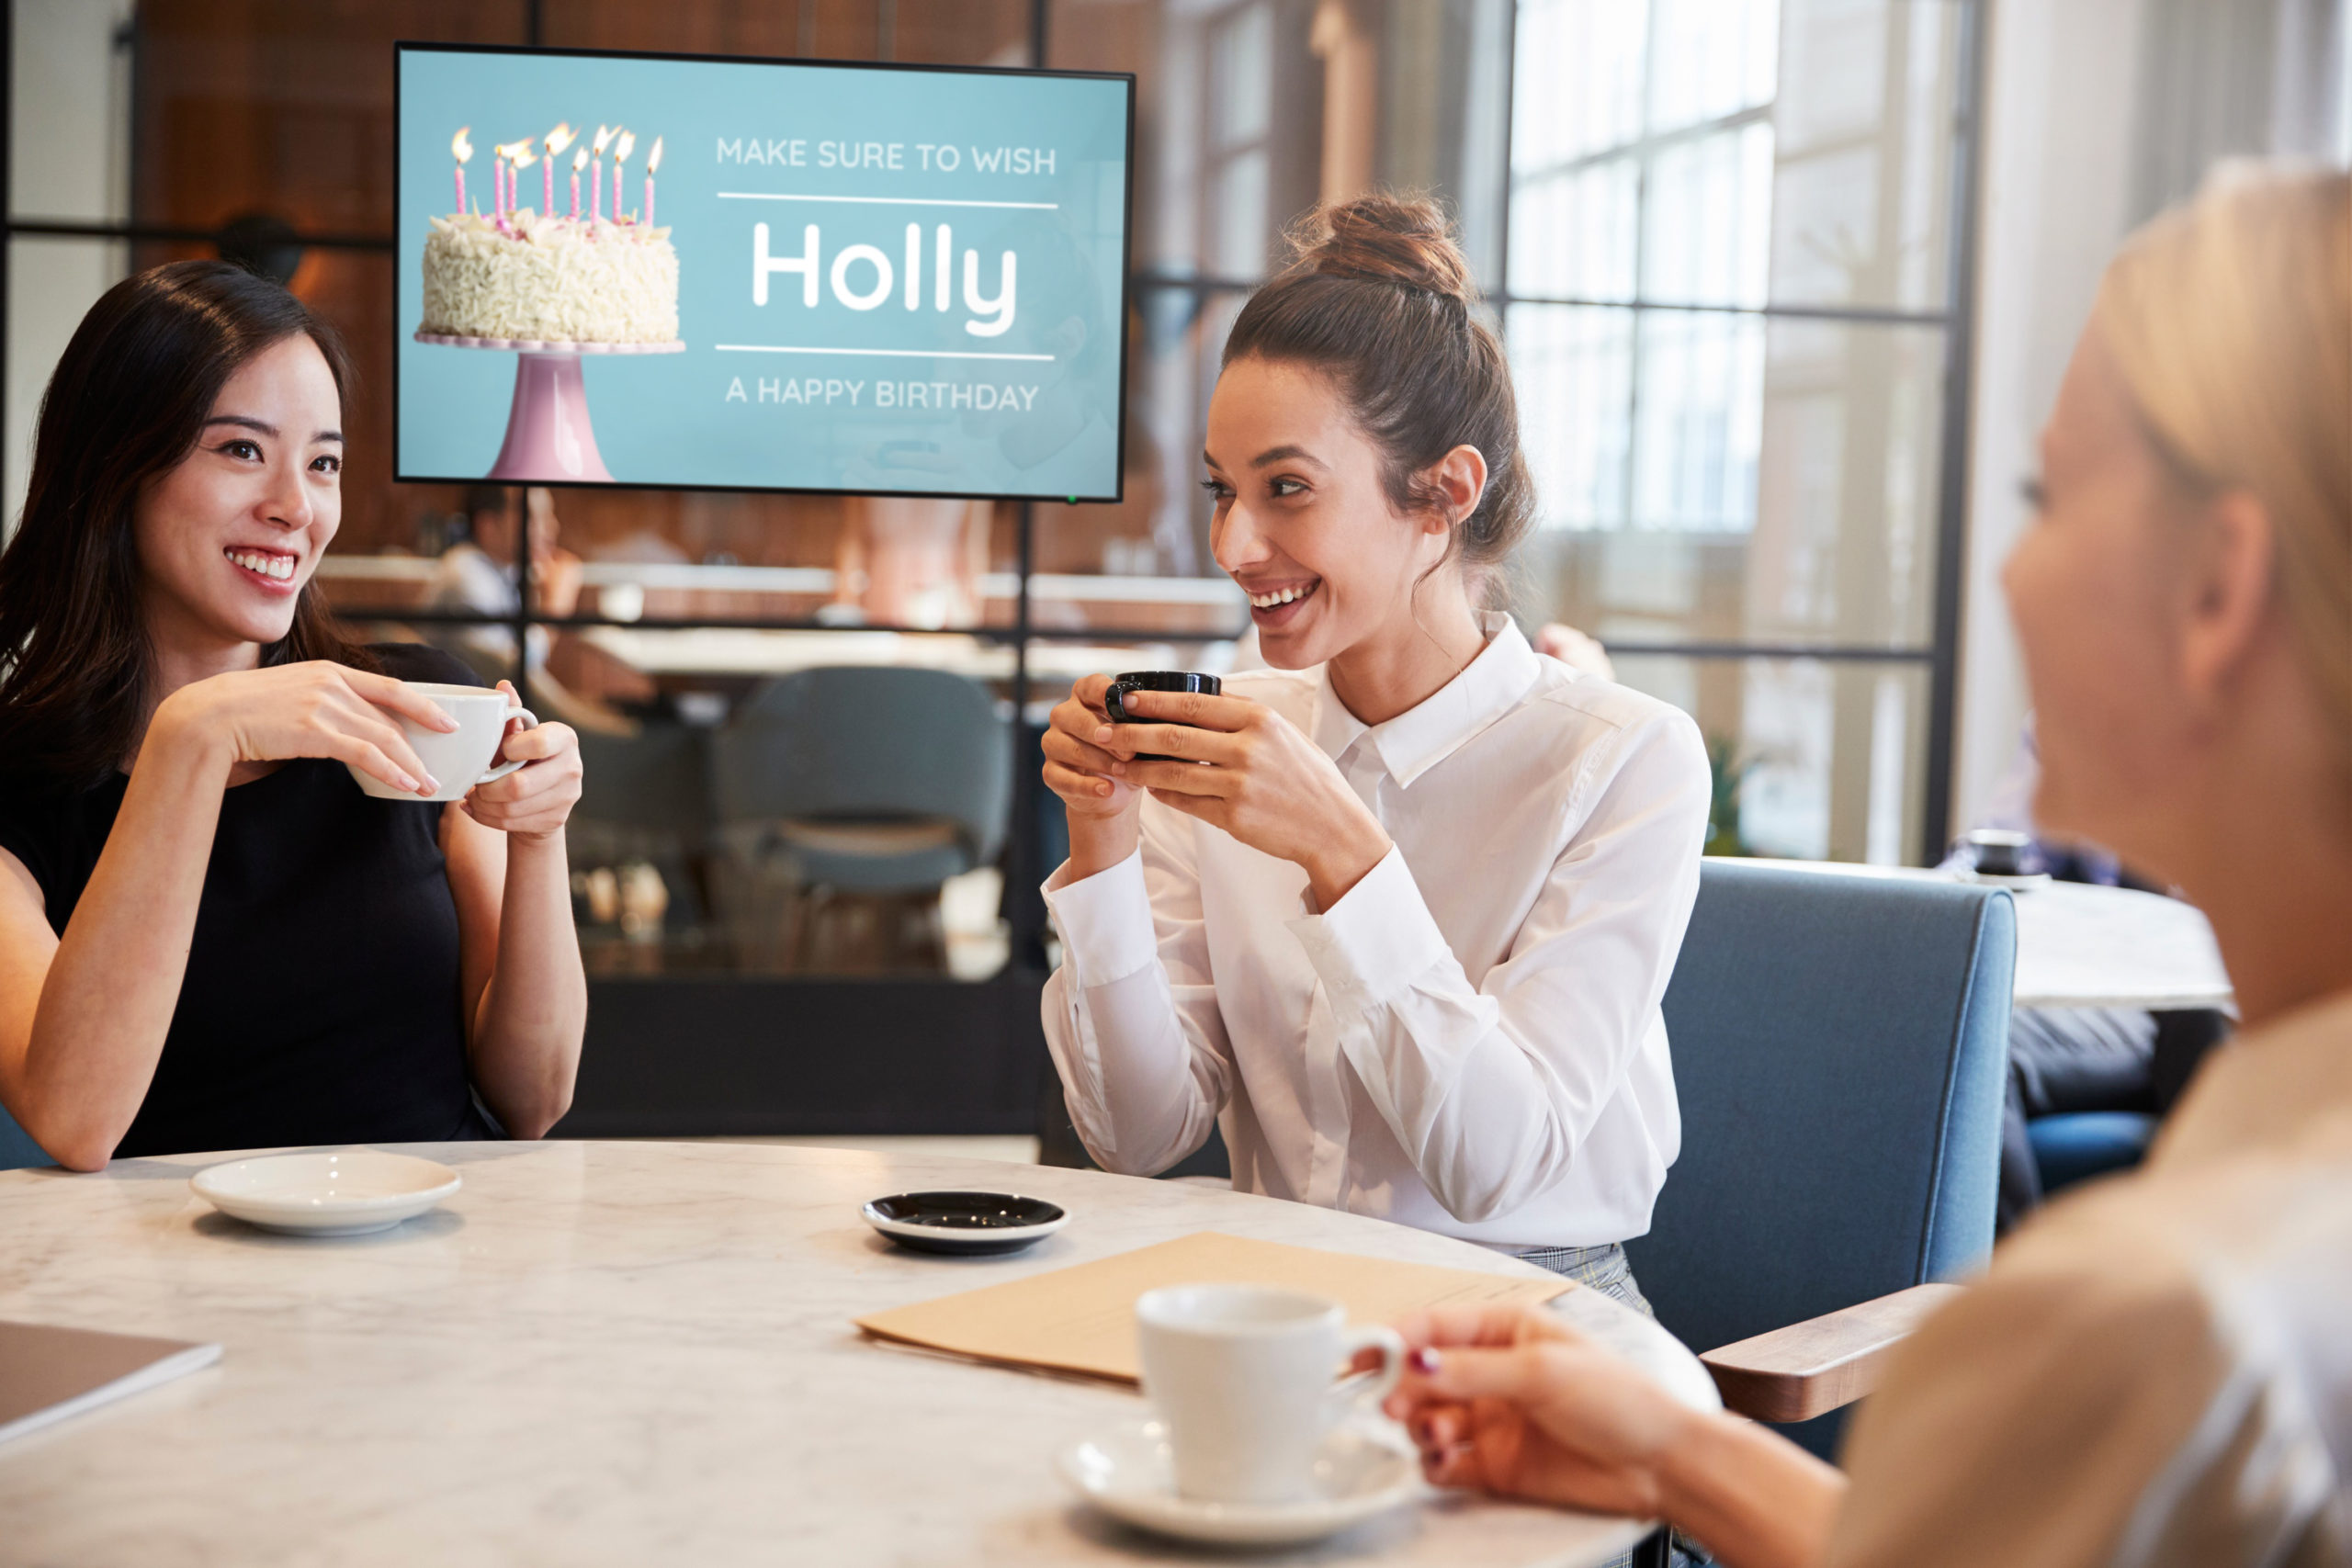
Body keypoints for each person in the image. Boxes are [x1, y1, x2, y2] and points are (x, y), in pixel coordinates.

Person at [1381, 164, 2351, 1566]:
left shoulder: (2164, 1323)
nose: (2010, 572)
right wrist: (1679, 1447)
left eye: (2050, 493)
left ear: (2219, 590)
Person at [1037, 196, 1712, 1306]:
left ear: (1442, 495)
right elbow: (1138, 1138)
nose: (1233, 545)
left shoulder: (1626, 761)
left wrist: (1343, 858)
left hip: (1533, 1310)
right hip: (1276, 1300)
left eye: (1285, 490)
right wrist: (1103, 840)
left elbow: (1495, 1168)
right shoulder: (1232, 744)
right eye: (1222, 490)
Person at [0, 261, 588, 1171]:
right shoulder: (19, 779)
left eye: (322, 463)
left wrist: (539, 837)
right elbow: (74, 1121)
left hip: (444, 1269)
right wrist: (194, 740)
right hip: (176, 1292)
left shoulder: (419, 704)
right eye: (241, 450)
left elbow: (534, 1097)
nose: (295, 509)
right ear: (115, 465)